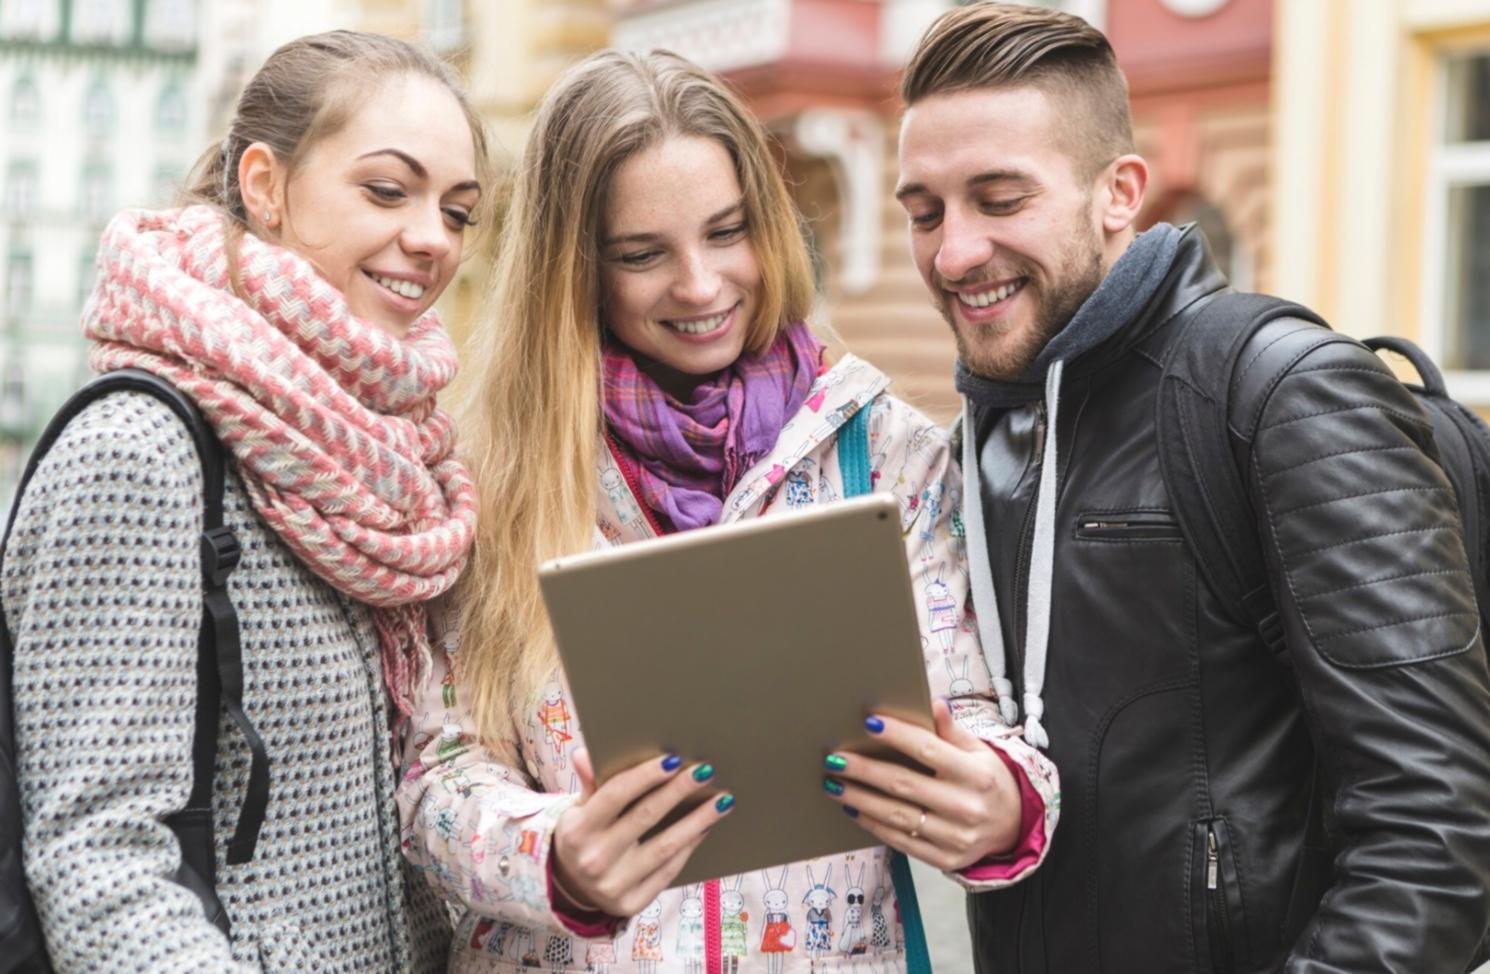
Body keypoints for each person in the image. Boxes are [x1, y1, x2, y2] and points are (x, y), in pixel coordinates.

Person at [396, 48, 1060, 973]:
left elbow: (975, 712)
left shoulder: (884, 450)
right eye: (642, 254)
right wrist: (555, 856)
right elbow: (435, 774)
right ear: (573, 268)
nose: (702, 286)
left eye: (727, 232)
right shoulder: (489, 474)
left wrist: (1002, 799)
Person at [893, 4, 1490, 972]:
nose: (952, 252)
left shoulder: (1279, 395)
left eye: (998, 199)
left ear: (1119, 192)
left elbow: (1435, 847)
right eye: (923, 212)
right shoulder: (979, 444)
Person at [3, 30, 488, 973]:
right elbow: (98, 859)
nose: (432, 238)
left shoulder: (404, 464)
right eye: (388, 190)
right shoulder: (140, 452)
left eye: (458, 210)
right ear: (265, 185)